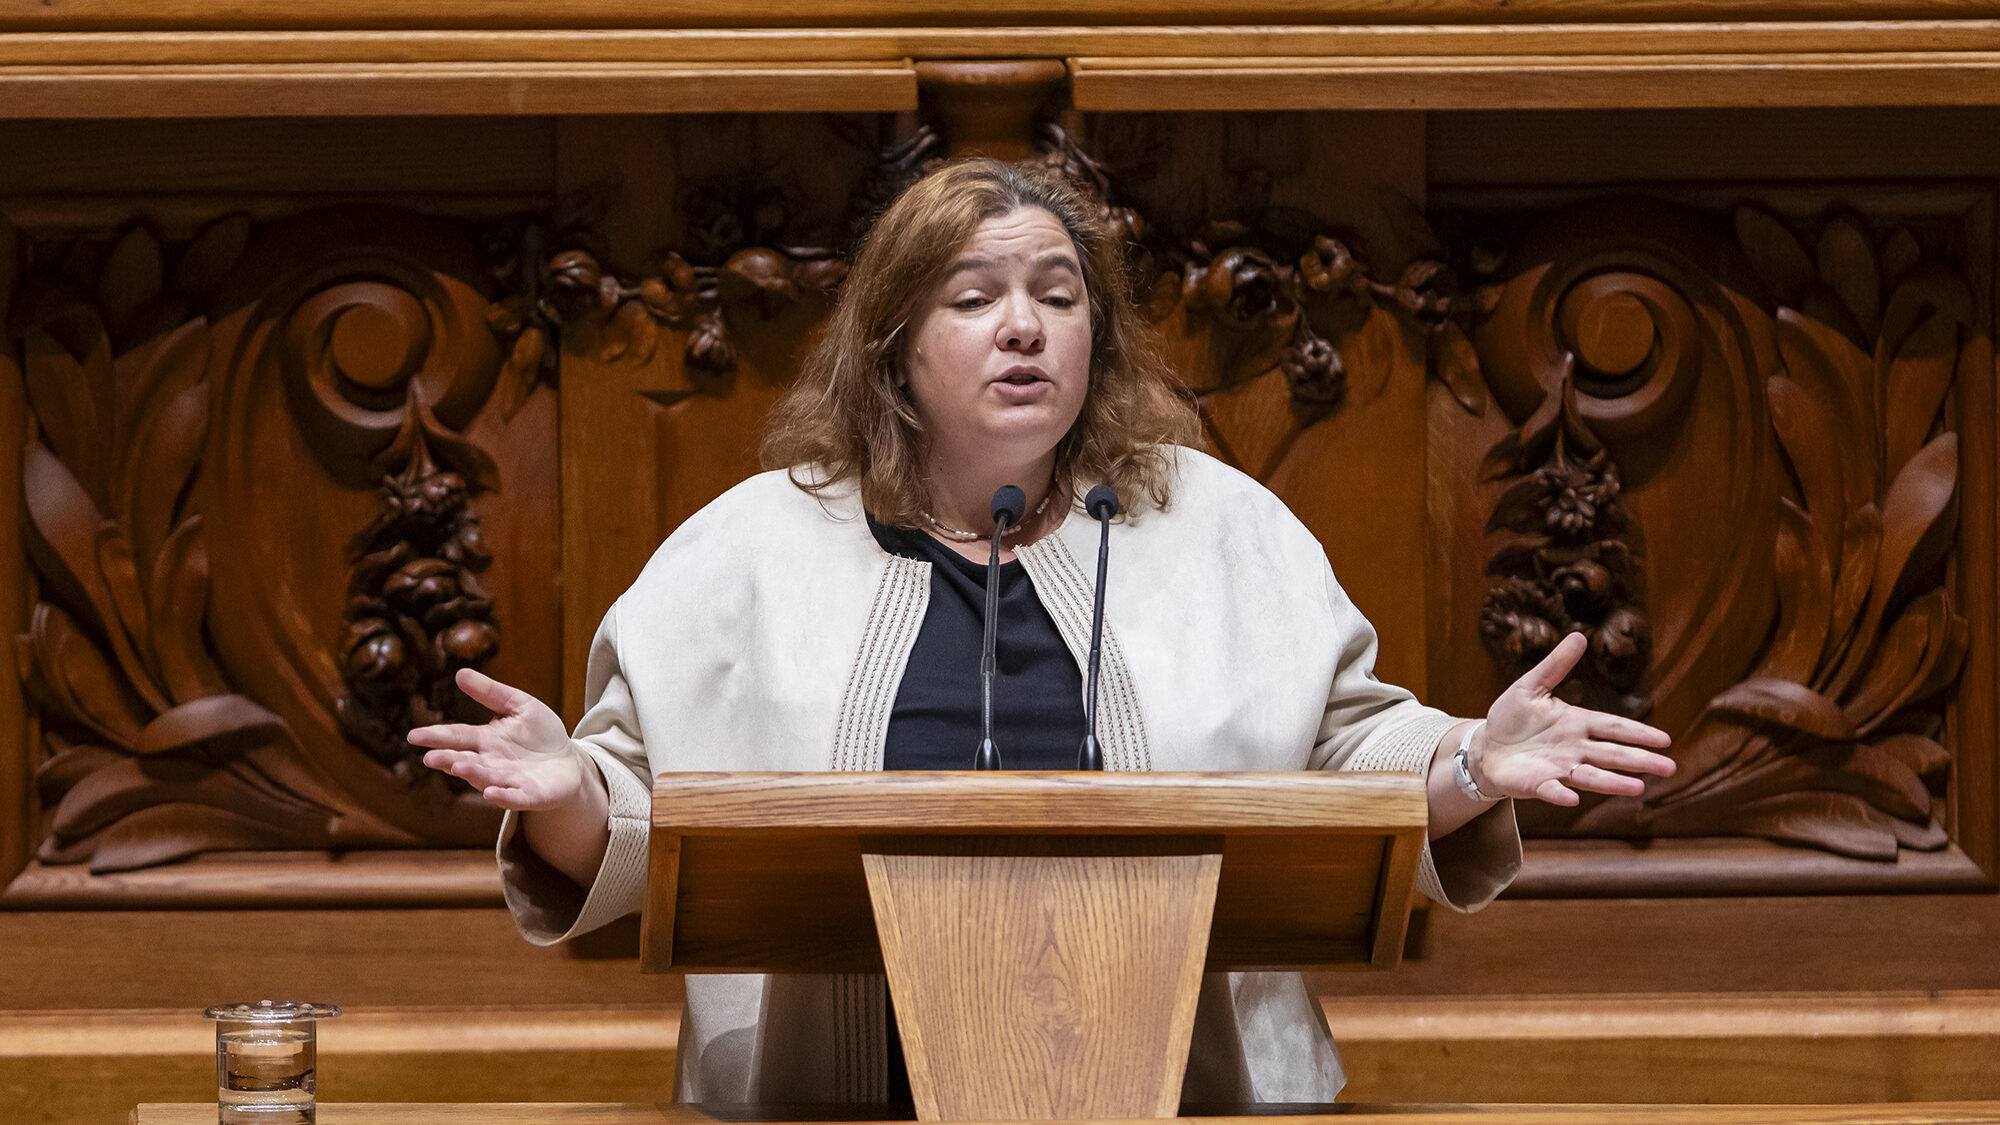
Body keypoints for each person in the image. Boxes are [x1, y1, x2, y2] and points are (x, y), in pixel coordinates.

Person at [410, 158, 1674, 1104]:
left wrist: (1467, 763)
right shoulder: (746, 549)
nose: (1024, 325)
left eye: (1056, 296)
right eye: (975, 296)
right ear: (896, 348)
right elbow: (639, 819)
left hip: (1184, 1088)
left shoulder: (1216, 524)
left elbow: (1348, 756)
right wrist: (571, 789)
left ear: (1094, 337)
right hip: (838, 1091)